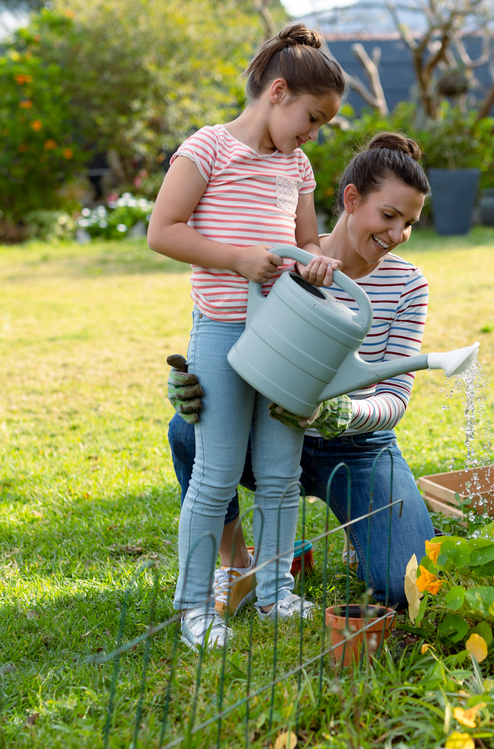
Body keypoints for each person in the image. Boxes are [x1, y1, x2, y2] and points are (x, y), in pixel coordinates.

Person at [167, 132, 436, 615]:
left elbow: (395, 397)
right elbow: (236, 336)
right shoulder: (283, 265)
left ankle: (362, 535)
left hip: (357, 447)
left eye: (410, 224)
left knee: (401, 589)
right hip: (271, 427)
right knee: (188, 432)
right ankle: (240, 564)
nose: (397, 235)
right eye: (389, 216)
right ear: (351, 199)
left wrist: (344, 412)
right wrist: (197, 383)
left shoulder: (407, 284)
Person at [146, 23, 347, 648]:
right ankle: (195, 607)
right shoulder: (206, 150)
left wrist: (316, 260)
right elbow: (163, 230)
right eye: (311, 118)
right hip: (224, 334)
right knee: (217, 471)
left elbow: (308, 239)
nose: (312, 134)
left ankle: (275, 593)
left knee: (282, 474)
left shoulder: (299, 165)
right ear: (278, 92)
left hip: (284, 335)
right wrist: (236, 259)